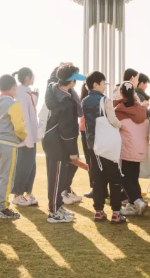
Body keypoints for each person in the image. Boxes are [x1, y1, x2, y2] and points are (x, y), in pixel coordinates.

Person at [44, 63, 85, 224]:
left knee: (59, 178)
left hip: (54, 141)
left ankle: (58, 206)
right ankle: (54, 212)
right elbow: (67, 130)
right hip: (57, 143)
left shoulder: (54, 90)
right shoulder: (66, 101)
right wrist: (73, 151)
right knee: (56, 179)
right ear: (72, 81)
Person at [83, 71, 125, 224]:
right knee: (114, 178)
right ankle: (116, 213)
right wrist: (121, 125)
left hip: (93, 145)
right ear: (95, 84)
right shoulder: (105, 100)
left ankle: (99, 212)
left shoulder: (84, 101)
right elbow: (113, 120)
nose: (104, 86)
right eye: (103, 83)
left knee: (98, 179)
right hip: (107, 145)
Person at [0, 74, 28, 220]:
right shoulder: (13, 104)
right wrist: (23, 136)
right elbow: (19, 126)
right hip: (8, 143)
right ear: (14, 87)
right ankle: (2, 208)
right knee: (6, 176)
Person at [116, 81, 150, 217]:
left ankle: (137, 201)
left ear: (121, 93)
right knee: (134, 177)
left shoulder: (119, 110)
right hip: (140, 148)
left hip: (127, 148)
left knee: (124, 177)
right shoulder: (142, 109)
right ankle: (133, 204)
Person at [10, 67, 40, 208]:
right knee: (23, 166)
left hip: (31, 137)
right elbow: (23, 118)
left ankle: (28, 193)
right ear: (27, 78)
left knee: (31, 166)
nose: (34, 78)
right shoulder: (21, 94)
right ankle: (17, 195)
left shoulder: (26, 93)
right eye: (33, 76)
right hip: (25, 139)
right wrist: (26, 139)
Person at [79, 84, 95, 199]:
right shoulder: (86, 99)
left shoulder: (83, 100)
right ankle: (99, 188)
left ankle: (95, 188)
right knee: (93, 160)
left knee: (91, 160)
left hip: (86, 131)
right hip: (87, 130)